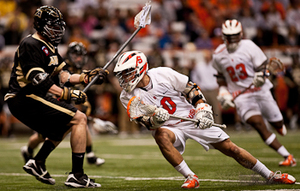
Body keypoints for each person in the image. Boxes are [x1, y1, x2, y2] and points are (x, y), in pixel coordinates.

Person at [113, 50, 296, 189]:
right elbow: (143, 121)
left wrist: (202, 108)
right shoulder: (125, 96)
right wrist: (155, 121)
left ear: (140, 68)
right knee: (160, 135)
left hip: (191, 118)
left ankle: (270, 175)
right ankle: (190, 176)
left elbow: (190, 88)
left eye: (126, 73)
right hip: (169, 127)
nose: (123, 78)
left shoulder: (162, 73)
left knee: (231, 149)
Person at [4, 6, 108, 188]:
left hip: (32, 96)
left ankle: (38, 161)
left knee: (67, 124)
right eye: (53, 26)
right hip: (23, 97)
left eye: (60, 26)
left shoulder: (50, 46)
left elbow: (64, 75)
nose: (58, 30)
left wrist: (86, 76)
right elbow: (38, 79)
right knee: (79, 118)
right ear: (41, 25)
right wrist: (66, 93)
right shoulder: (31, 44)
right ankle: (77, 175)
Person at [212, 19, 296, 167]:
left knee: (279, 124)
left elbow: (263, 66)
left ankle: (277, 124)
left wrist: (261, 76)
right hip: (242, 95)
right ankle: (287, 156)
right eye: (228, 36)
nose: (231, 39)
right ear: (223, 36)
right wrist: (224, 91)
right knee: (257, 123)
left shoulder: (249, 46)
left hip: (260, 90)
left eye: (234, 35)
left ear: (241, 34)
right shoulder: (218, 54)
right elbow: (220, 76)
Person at [20, 41, 118, 166]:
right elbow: (54, 88)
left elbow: (77, 91)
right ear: (69, 55)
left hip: (63, 101)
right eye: (76, 55)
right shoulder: (61, 68)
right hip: (50, 101)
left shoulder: (78, 69)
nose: (79, 58)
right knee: (43, 135)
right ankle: (28, 151)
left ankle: (90, 155)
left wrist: (84, 105)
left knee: (79, 121)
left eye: (81, 56)